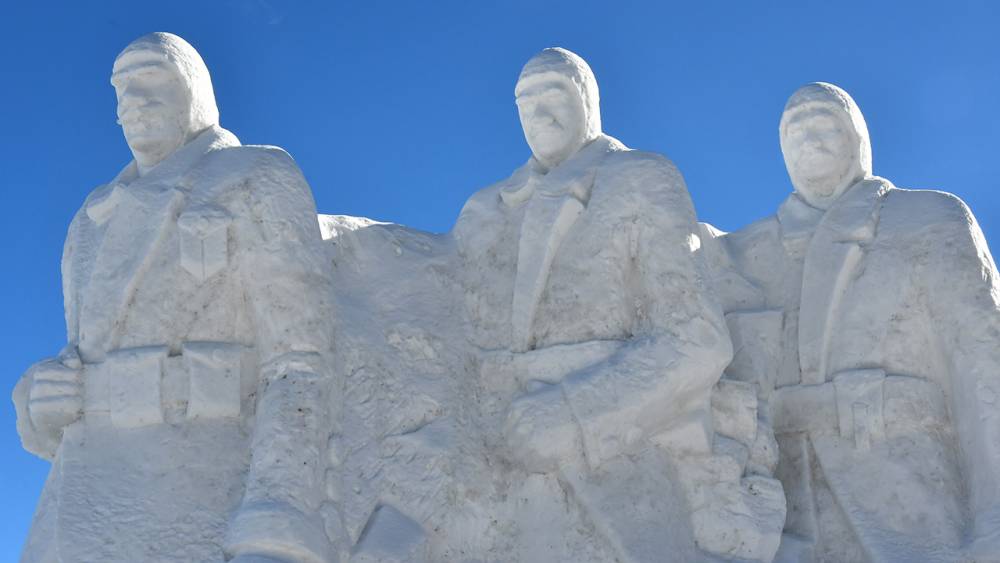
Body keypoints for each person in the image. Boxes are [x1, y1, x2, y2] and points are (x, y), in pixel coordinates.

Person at [13, 32, 338, 563]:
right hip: (74, 503)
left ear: (194, 91)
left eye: (152, 79)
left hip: (197, 486)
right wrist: (38, 399)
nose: (133, 102)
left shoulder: (254, 175)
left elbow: (298, 363)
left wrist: (276, 522)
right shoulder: (92, 217)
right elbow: (81, 354)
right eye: (121, 90)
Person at [453, 47, 784, 562]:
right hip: (486, 446)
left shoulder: (638, 177)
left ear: (588, 101)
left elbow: (696, 338)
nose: (538, 114)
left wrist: (573, 411)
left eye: (554, 94)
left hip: (614, 446)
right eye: (525, 101)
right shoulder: (484, 210)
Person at [714, 82, 1000, 561]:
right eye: (795, 130)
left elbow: (983, 364)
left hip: (907, 505)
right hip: (778, 521)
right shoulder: (741, 253)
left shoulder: (926, 217)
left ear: (858, 138)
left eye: (826, 124)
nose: (811, 139)